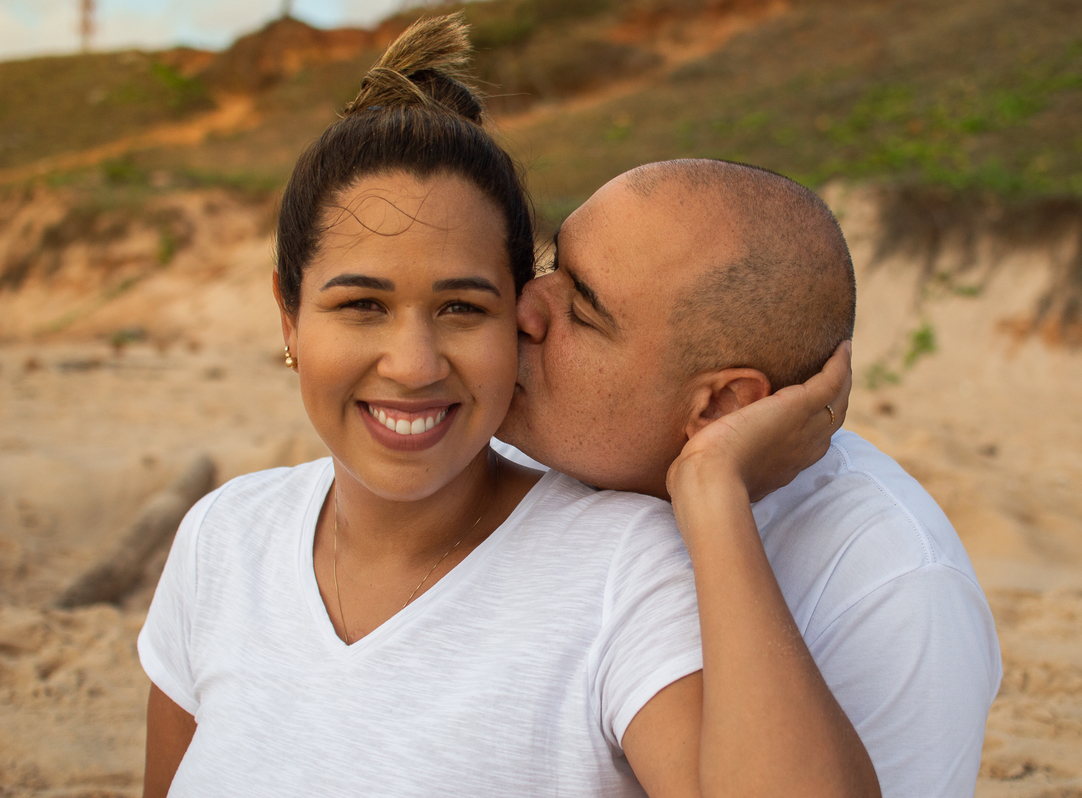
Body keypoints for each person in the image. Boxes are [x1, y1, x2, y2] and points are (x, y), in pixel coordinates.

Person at [137, 16, 880, 798]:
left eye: (462, 308)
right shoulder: (223, 538)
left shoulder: (620, 566)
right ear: (290, 317)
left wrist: (714, 490)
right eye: (361, 305)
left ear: (518, 318)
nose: (414, 364)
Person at [493, 158, 1004, 797]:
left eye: (581, 310)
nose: (522, 307)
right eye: (552, 265)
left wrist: (712, 494)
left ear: (719, 406)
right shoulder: (513, 450)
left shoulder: (892, 590)